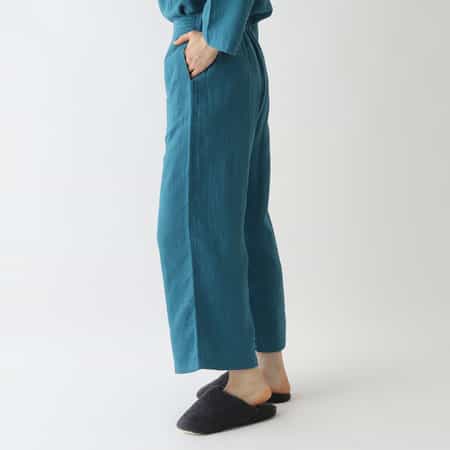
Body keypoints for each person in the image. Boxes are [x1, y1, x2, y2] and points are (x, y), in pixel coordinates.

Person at [156, 0, 291, 434]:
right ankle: (267, 366)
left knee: (197, 220)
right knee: (243, 219)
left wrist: (215, 36)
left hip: (212, 51)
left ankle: (245, 381)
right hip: (238, 54)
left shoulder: (212, 42)